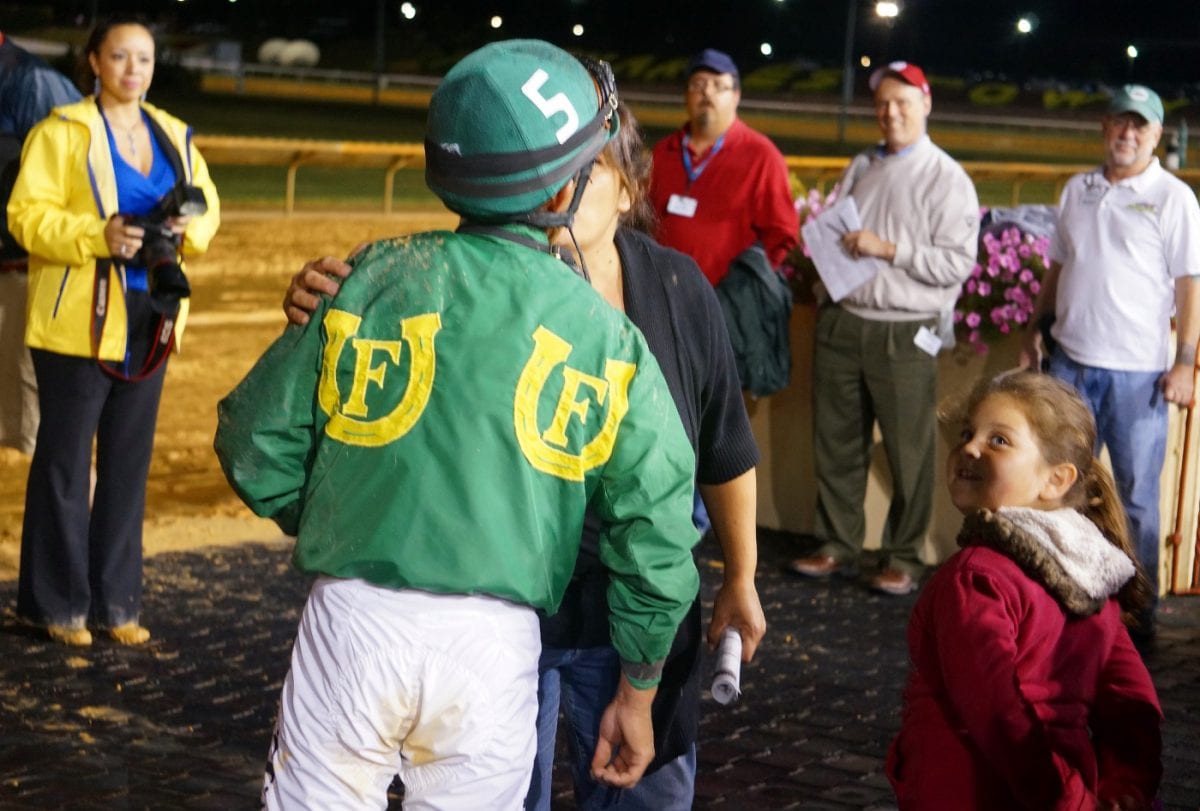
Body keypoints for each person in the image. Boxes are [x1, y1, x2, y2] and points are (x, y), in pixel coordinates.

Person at [214, 41, 701, 809]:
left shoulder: (372, 274)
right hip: (494, 643)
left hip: (350, 621)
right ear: (564, 189)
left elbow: (253, 443)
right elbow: (659, 530)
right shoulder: (607, 335)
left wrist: (352, 517)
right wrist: (639, 686)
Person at [7, 16, 220, 647]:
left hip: (149, 319)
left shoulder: (175, 134)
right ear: (94, 62)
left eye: (145, 59)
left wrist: (187, 234)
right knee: (65, 466)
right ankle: (53, 606)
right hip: (75, 323)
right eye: (121, 56)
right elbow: (25, 216)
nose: (134, 69)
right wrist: (93, 236)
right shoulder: (60, 132)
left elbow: (207, 205)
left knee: (127, 466)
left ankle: (115, 604)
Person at [887, 371, 1162, 810]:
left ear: (1055, 480)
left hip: (969, 789)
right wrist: (1124, 785)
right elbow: (1133, 705)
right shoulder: (1093, 570)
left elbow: (996, 712)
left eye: (999, 440)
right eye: (967, 433)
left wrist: (1066, 799)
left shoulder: (976, 577)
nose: (970, 447)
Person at [789, 61, 980, 596]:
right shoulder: (863, 164)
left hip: (904, 329)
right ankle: (836, 544)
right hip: (845, 321)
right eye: (882, 104)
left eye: (902, 103)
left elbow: (955, 264)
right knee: (837, 444)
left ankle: (904, 556)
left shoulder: (947, 178)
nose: (890, 113)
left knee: (908, 451)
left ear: (926, 105)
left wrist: (888, 248)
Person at [1021, 83, 1200, 648]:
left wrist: (1186, 361)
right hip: (1070, 366)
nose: (1127, 134)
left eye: (1140, 126)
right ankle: (1060, 597)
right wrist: (1034, 331)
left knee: (1139, 502)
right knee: (1059, 491)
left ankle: (1138, 614)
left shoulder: (1174, 198)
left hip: (1138, 376)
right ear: (1104, 128)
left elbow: (1189, 286)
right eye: (1119, 123)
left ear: (1155, 136)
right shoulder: (1079, 189)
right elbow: (1057, 268)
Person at [647, 48, 797, 288]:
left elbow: (783, 234)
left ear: (736, 95)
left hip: (725, 307)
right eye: (698, 84)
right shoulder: (663, 152)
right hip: (662, 295)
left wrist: (745, 288)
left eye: (718, 85)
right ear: (686, 95)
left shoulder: (762, 156)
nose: (707, 92)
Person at [0, 32, 81, 454]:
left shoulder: (31, 80)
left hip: (21, 276)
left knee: (48, 431)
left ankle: (74, 521)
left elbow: (83, 171)